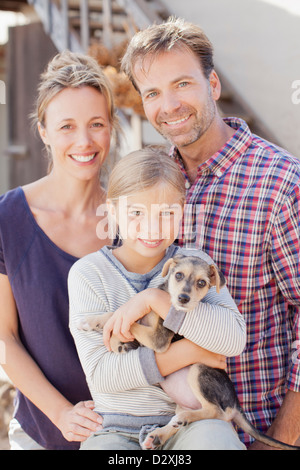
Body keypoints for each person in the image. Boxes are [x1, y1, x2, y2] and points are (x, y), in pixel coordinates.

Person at [120, 17, 300, 449]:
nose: (169, 105)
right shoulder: (150, 184)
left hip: (255, 429)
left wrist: (280, 441)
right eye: (153, 93)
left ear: (213, 84)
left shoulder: (281, 184)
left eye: (182, 84)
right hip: (164, 432)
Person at [68, 147, 246, 450]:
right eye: (136, 213)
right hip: (115, 427)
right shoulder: (89, 273)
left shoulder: (196, 265)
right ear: (112, 211)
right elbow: (102, 376)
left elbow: (232, 340)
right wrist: (193, 352)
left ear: (182, 211)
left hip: (191, 424)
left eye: (166, 213)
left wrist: (154, 299)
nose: (152, 227)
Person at [0, 51, 118, 450]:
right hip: (41, 433)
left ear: (111, 128)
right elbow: (4, 336)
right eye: (66, 126)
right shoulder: (7, 218)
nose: (84, 142)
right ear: (44, 131)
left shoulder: (132, 220)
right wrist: (62, 414)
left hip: (124, 437)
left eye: (96, 124)